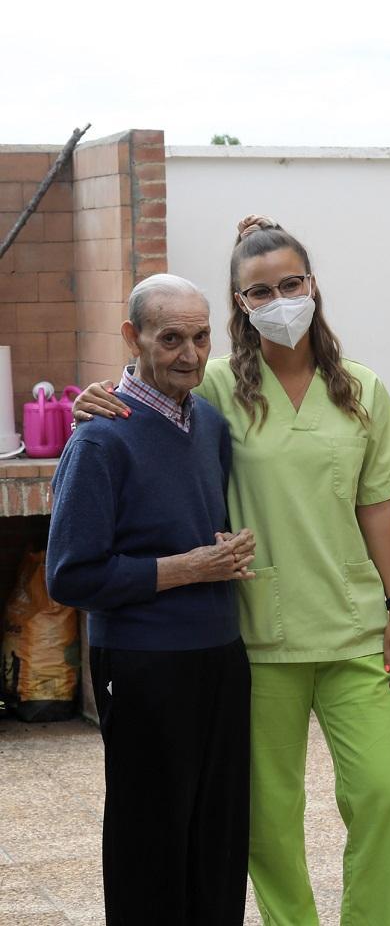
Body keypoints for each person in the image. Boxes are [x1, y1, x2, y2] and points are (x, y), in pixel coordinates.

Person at [76, 217, 390, 925]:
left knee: (381, 797)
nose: (280, 300)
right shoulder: (217, 386)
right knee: (267, 822)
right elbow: (148, 381)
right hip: (260, 635)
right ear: (240, 304)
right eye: (259, 291)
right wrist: (94, 396)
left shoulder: (363, 389)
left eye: (290, 284)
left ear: (313, 286)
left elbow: (377, 504)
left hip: (354, 629)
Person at [47, 274, 255, 924]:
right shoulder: (100, 439)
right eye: (171, 339)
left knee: (218, 838)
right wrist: (187, 569)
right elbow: (70, 576)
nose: (190, 354)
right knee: (149, 842)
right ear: (132, 338)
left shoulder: (212, 425)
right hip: (142, 665)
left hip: (220, 657)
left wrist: (216, 558)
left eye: (200, 337)